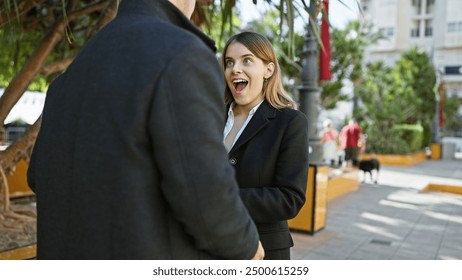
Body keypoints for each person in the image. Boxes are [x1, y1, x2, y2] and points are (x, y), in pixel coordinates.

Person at [27, 0, 264, 260]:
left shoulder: (70, 75)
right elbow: (205, 194)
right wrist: (249, 247)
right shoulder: (183, 54)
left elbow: (39, 176)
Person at [222, 31, 309, 260]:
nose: (235, 69)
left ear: (268, 70)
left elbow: (290, 198)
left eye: (246, 60)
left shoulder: (290, 123)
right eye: (229, 62)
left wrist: (220, 199)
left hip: (264, 251)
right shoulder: (209, 116)